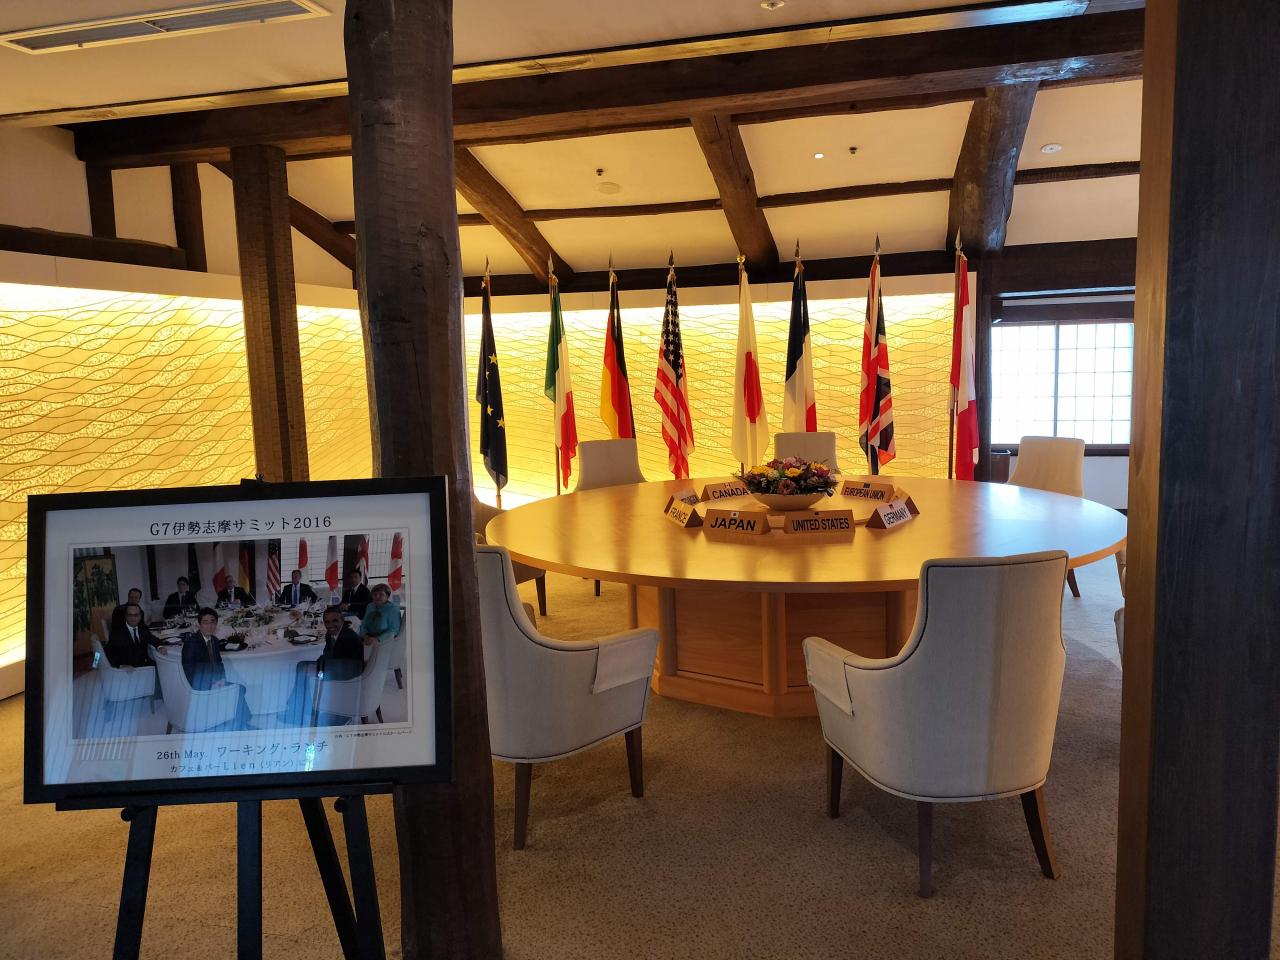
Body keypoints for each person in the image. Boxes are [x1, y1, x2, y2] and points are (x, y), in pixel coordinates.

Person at [181, 608, 226, 690]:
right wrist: (210, 686)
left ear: (216, 623)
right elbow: (189, 672)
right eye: (205, 622)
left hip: (217, 683)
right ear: (199, 625)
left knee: (241, 689)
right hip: (203, 687)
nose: (209, 626)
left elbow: (219, 663)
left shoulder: (215, 640)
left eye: (212, 622)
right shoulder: (191, 643)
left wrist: (222, 680)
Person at [317, 605, 364, 681]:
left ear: (342, 621)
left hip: (349, 677)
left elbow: (348, 667)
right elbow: (327, 655)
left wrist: (322, 674)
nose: (330, 625)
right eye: (327, 622)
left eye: (335, 621)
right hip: (335, 668)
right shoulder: (329, 634)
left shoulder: (350, 639)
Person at [105, 603, 157, 668]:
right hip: (129, 669)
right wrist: (120, 666)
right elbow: (106, 653)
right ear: (126, 616)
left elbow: (153, 639)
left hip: (145, 664)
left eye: (136, 615)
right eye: (130, 615)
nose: (133, 618)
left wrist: (160, 646)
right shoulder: (117, 633)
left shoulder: (143, 629)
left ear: (140, 616)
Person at [360, 583, 401, 648]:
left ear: (387, 596)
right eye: (375, 594)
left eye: (381, 594)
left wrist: (377, 639)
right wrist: (365, 636)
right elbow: (363, 624)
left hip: (383, 642)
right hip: (366, 638)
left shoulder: (393, 608)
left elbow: (394, 630)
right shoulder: (370, 606)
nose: (377, 597)